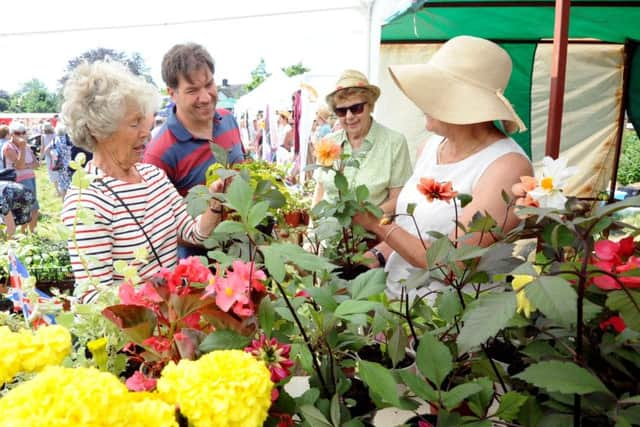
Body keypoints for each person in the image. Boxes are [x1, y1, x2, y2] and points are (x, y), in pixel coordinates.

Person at [353, 35, 534, 301]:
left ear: (467, 105)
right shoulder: (430, 147)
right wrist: (377, 255)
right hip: (399, 307)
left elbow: (452, 264)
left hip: (450, 324)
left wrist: (377, 224)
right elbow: (413, 229)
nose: (422, 101)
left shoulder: (506, 167)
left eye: (435, 92)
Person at [61, 61, 224, 294]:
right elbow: (95, 296)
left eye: (145, 120)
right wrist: (149, 297)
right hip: (134, 327)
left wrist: (215, 204)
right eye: (134, 123)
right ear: (100, 130)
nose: (146, 132)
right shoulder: (87, 201)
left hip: (170, 318)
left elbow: (193, 233)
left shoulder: (153, 176)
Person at [143, 42, 244, 259]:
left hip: (245, 247)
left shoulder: (228, 120)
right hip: (199, 265)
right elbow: (159, 227)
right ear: (172, 93)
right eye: (192, 90)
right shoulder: (159, 153)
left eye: (209, 84)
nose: (206, 97)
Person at [313, 69, 412, 214]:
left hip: (370, 233)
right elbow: (320, 190)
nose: (349, 116)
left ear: (370, 106)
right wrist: (312, 228)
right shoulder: (328, 143)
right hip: (328, 232)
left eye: (356, 108)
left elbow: (398, 198)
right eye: (341, 111)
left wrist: (365, 220)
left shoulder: (394, 142)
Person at [2, 121, 39, 232]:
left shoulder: (26, 146)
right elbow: (20, 165)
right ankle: (22, 233)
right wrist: (22, 148)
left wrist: (26, 165)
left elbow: (37, 164)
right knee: (24, 209)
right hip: (18, 180)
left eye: (24, 132)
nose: (22, 135)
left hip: (30, 178)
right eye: (19, 133)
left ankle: (31, 232)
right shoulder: (8, 147)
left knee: (34, 208)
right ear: (12, 134)